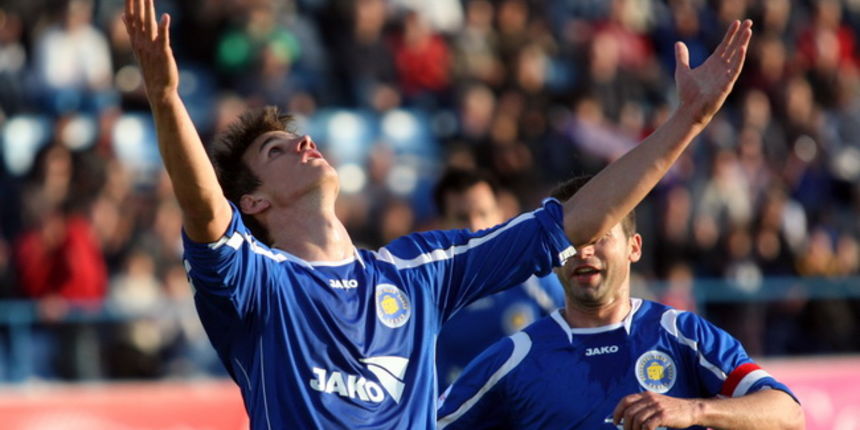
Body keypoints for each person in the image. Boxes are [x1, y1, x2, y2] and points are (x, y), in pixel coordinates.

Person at [123, 0, 752, 427]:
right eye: (277, 150)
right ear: (255, 202)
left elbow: (572, 223)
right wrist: (166, 99)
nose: (304, 143)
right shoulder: (256, 282)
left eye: (300, 136)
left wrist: (685, 123)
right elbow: (205, 210)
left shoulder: (417, 271)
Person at [436, 177, 805, 430]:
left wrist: (692, 409)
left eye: (598, 237)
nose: (583, 251)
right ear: (552, 254)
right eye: (573, 239)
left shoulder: (681, 335)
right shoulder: (515, 357)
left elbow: (787, 413)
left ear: (634, 247)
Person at [433, 169, 564, 388]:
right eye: (462, 217)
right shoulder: (429, 292)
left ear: (500, 215)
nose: (475, 227)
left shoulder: (534, 276)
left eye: (483, 213)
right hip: (456, 418)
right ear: (440, 224)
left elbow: (575, 337)